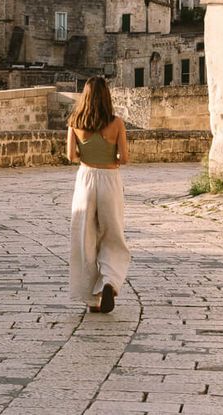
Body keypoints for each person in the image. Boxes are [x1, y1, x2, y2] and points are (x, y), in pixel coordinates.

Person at [66, 76, 130, 313]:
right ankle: (109, 282)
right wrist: (110, 156)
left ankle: (91, 299)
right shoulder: (116, 123)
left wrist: (88, 154)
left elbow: (71, 156)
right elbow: (124, 158)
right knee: (113, 234)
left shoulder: (74, 122)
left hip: (86, 179)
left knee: (85, 237)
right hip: (110, 179)